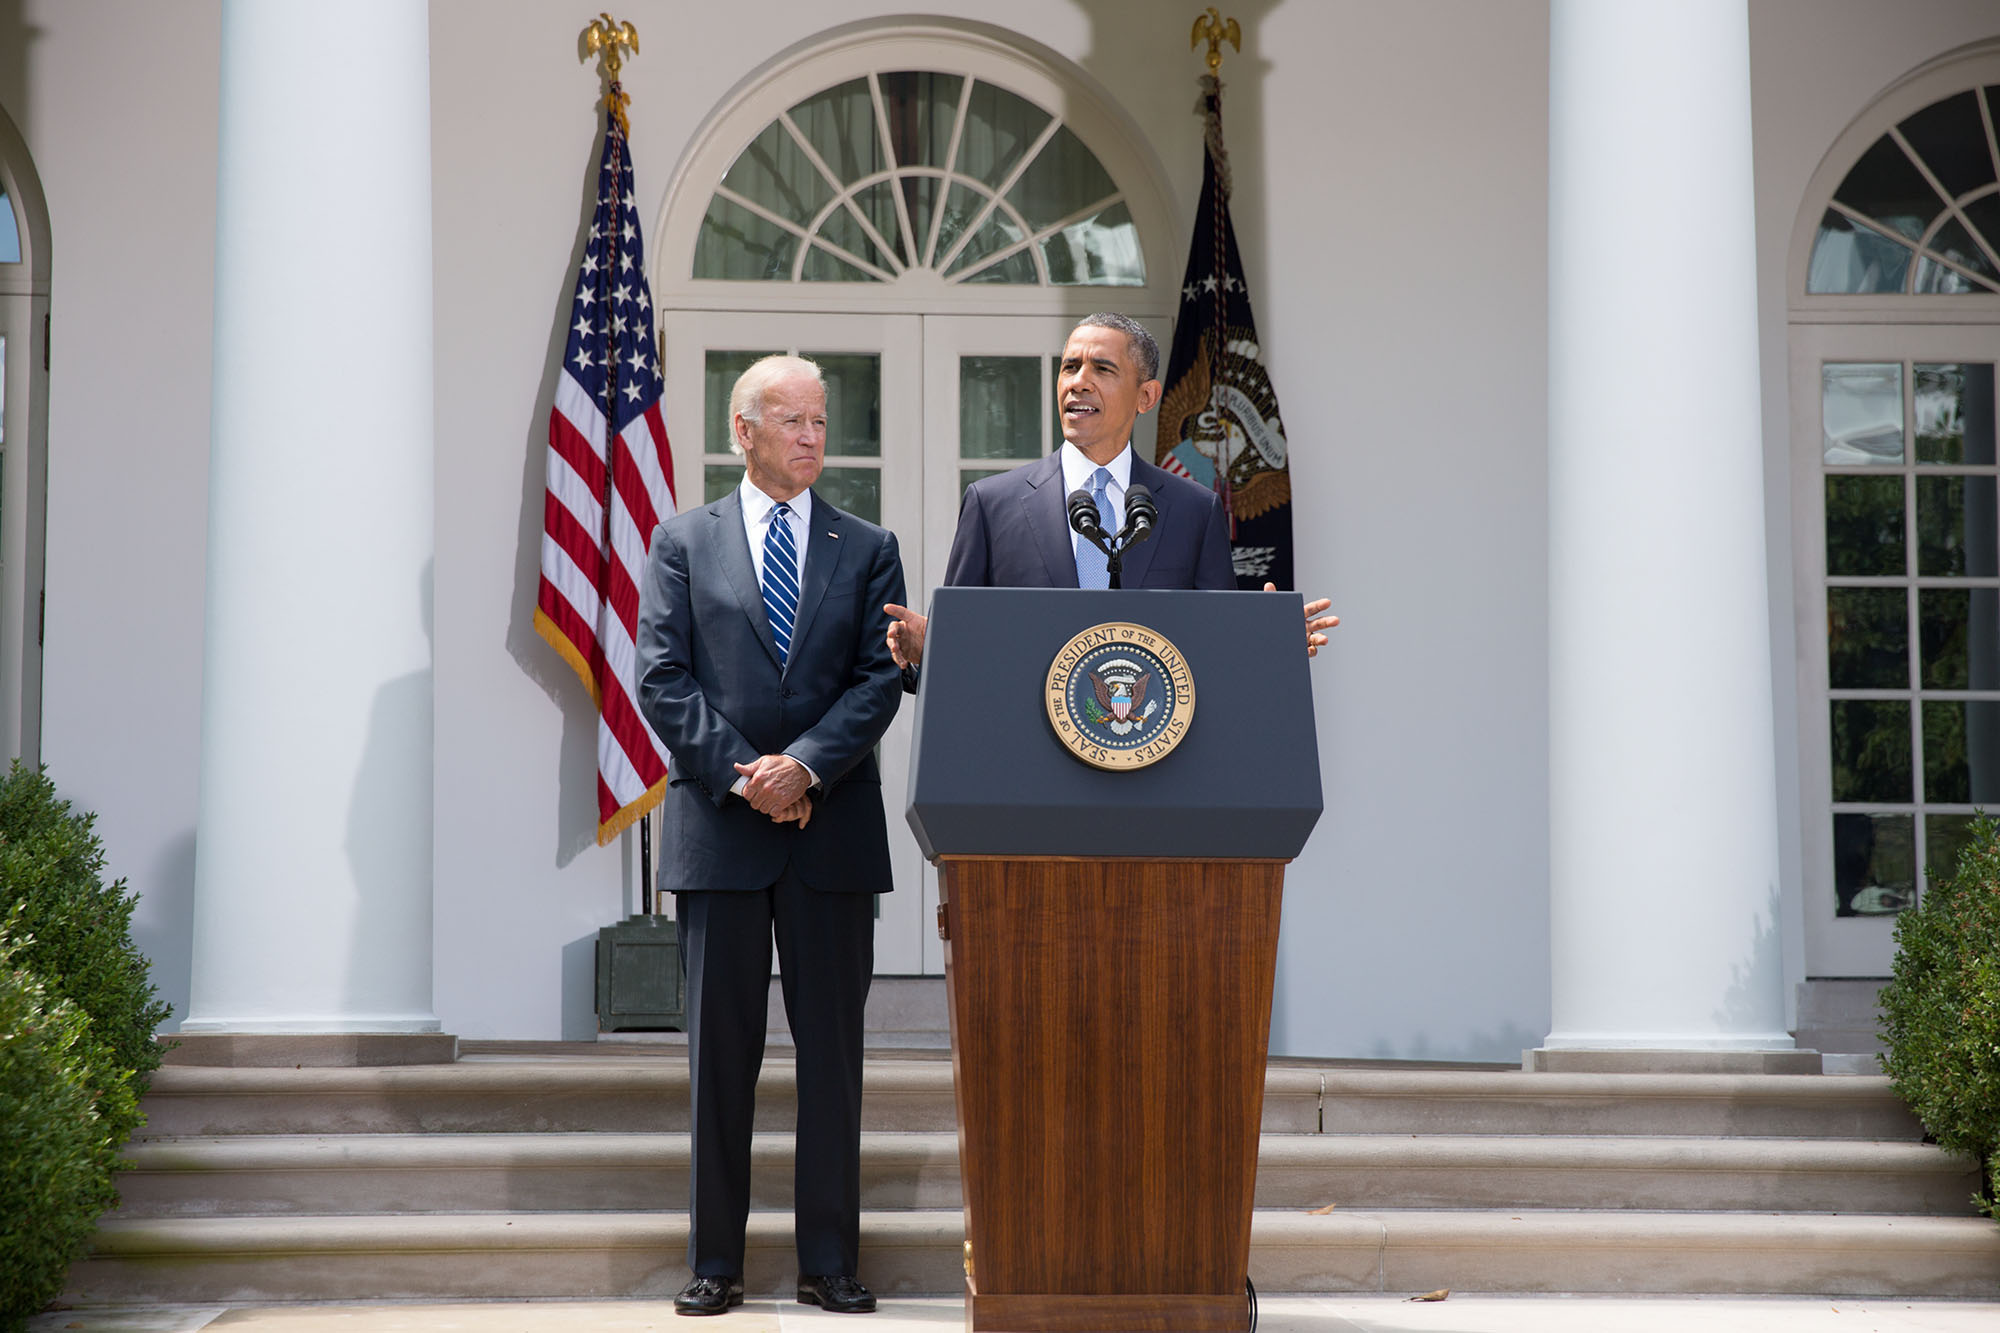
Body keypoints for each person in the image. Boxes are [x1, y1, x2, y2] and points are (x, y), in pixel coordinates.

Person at [635, 355, 904, 1317]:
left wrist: (807, 769)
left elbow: (880, 680)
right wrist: (750, 776)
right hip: (722, 832)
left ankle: (829, 1261)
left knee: (832, 1061)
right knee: (721, 1061)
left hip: (831, 837)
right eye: (792, 420)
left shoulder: (868, 544)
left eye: (822, 422)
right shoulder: (681, 541)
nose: (812, 438)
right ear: (743, 430)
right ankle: (717, 1261)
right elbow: (661, 676)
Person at [883, 312, 1337, 676]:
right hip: (1026, 772)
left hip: (1151, 767)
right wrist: (928, 652)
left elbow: (1214, 652)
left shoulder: (1194, 510)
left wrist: (1270, 646)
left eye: (1102, 368)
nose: (1078, 381)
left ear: (1146, 396)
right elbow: (963, 648)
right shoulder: (991, 503)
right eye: (1069, 367)